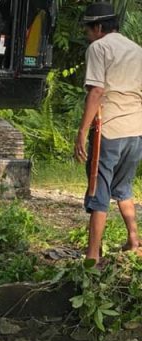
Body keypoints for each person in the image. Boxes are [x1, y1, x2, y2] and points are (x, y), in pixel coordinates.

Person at [74, 3, 142, 261]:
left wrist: (82, 131)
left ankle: (92, 257)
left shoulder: (99, 48)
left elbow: (97, 92)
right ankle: (134, 241)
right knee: (123, 186)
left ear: (99, 27)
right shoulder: (137, 50)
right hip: (136, 130)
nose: (87, 35)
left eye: (88, 30)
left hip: (109, 129)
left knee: (98, 191)